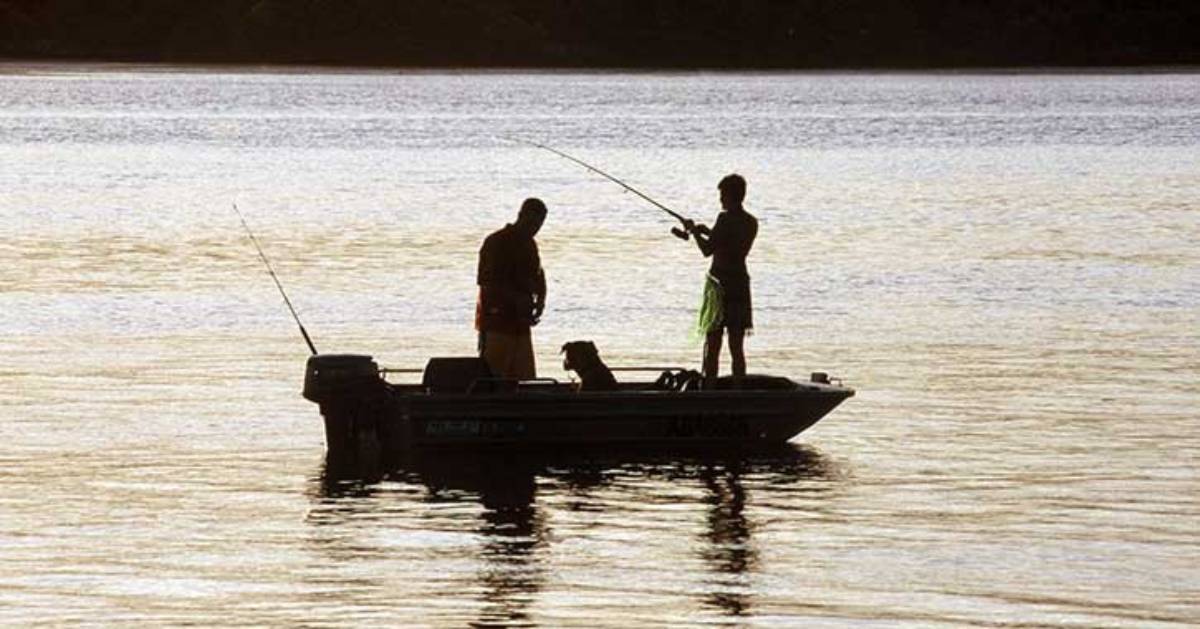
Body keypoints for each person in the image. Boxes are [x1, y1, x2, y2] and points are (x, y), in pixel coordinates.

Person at [683, 174, 758, 380]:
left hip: (719, 286)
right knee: (736, 347)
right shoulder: (751, 222)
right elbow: (729, 244)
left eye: (723, 195)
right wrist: (707, 230)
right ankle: (739, 390)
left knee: (713, 345)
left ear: (731, 195)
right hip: (740, 285)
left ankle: (709, 390)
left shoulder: (724, 219)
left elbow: (708, 250)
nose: (720, 200)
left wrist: (694, 231)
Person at [476, 198, 548, 379]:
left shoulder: (530, 244)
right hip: (496, 321)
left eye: (539, 224)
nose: (535, 228)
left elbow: (538, 274)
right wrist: (516, 299)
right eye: (531, 223)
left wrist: (541, 300)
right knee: (493, 375)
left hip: (521, 323)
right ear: (520, 215)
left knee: (524, 377)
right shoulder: (496, 242)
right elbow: (487, 282)